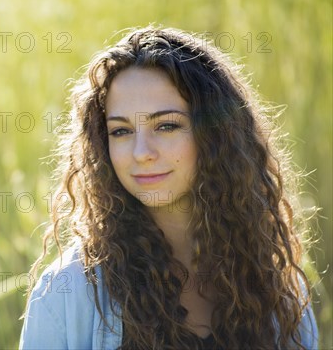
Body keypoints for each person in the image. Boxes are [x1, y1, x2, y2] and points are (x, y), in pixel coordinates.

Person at [19, 26, 319, 349]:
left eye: (166, 125)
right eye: (120, 131)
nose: (141, 152)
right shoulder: (67, 293)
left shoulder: (275, 289)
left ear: (215, 135)